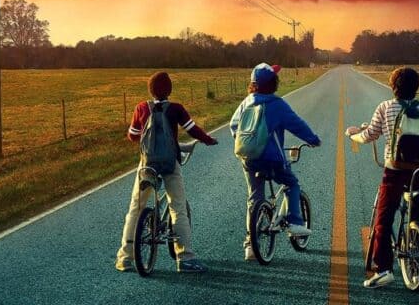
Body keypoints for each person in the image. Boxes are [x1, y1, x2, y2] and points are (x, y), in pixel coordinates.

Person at [345, 66, 419, 289]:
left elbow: (370, 134)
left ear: (393, 87)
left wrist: (354, 134)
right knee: (417, 217)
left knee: (383, 220)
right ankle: (416, 252)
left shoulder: (385, 107)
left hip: (394, 170)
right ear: (417, 87)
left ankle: (383, 269)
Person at [115, 71, 218, 273]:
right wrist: (208, 139)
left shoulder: (141, 108)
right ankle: (185, 257)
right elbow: (192, 129)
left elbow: (132, 136)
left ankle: (125, 257)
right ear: (169, 90)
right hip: (170, 164)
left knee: (136, 207)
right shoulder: (176, 109)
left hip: (148, 164)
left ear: (150, 90)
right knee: (177, 207)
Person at [231, 63, 321, 261]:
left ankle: (250, 245)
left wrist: (246, 143)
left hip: (248, 158)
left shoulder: (246, 102)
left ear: (253, 84)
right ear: (274, 83)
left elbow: (233, 125)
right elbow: (297, 124)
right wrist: (313, 140)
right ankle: (296, 222)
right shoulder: (277, 104)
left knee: (254, 197)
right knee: (291, 183)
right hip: (272, 159)